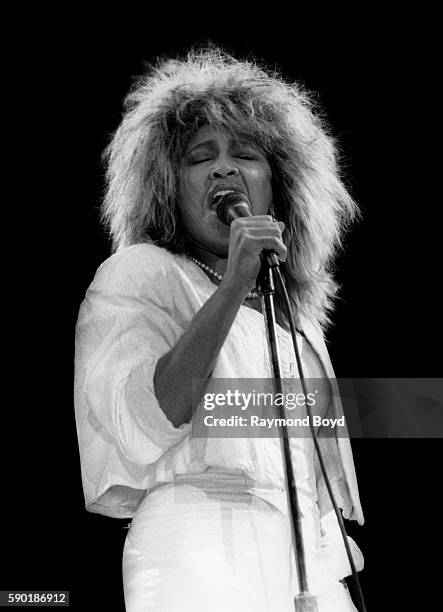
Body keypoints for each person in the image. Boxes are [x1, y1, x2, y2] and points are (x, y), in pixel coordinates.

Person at [74, 48, 364, 611]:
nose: (224, 169)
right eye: (199, 158)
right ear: (167, 187)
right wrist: (233, 285)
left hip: (309, 558)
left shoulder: (295, 320)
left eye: (247, 155)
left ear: (277, 186)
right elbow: (142, 422)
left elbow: (324, 472)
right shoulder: (143, 273)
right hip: (197, 534)